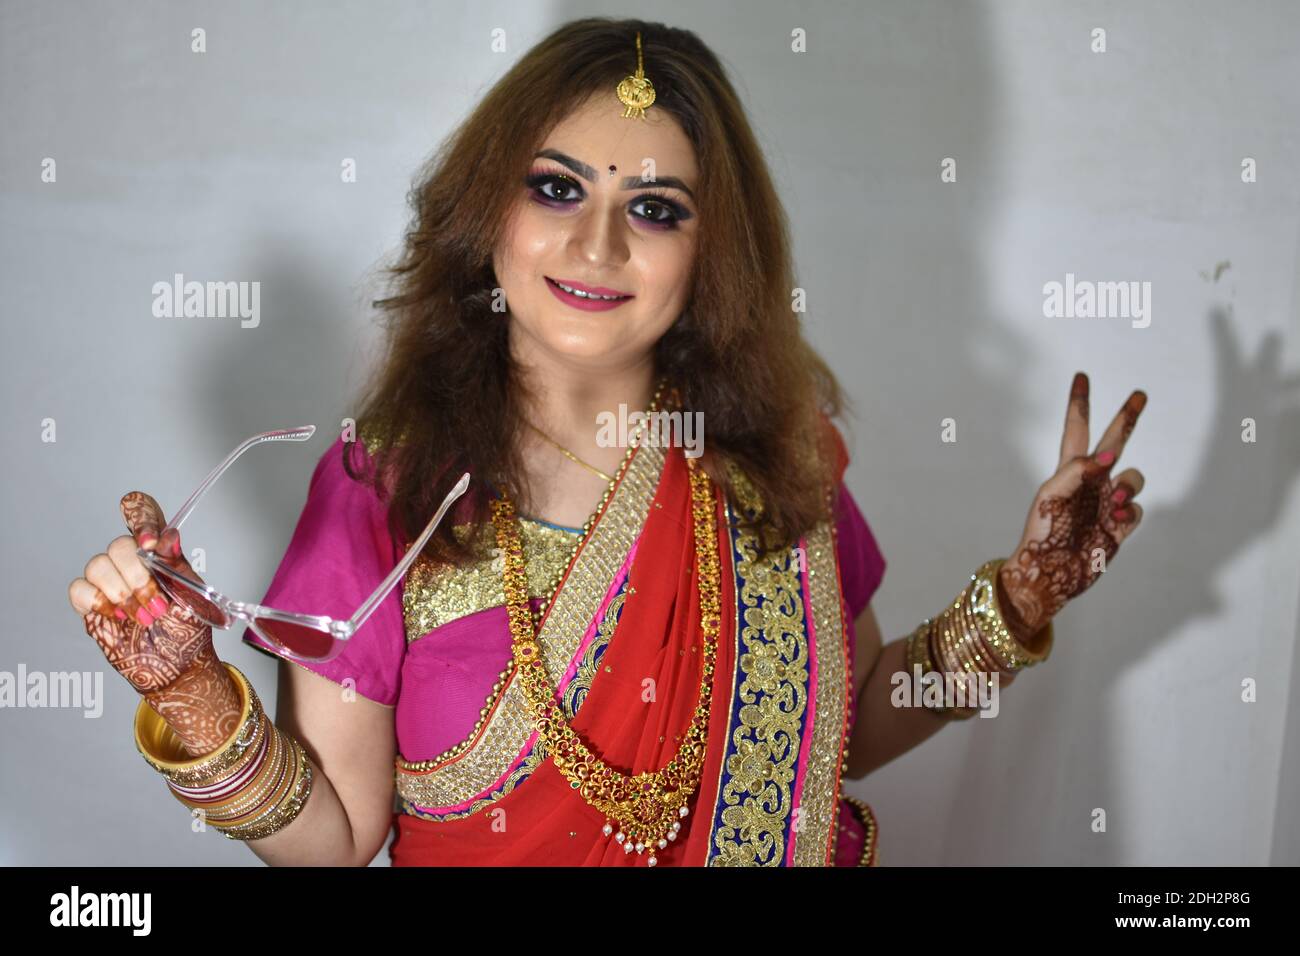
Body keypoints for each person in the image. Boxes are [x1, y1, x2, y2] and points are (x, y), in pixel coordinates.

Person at [66, 17, 1147, 866]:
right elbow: (334, 840)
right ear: (486, 213)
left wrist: (1017, 602)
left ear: (709, 254)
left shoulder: (779, 467)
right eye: (556, 187)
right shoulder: (384, 483)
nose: (596, 241)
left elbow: (841, 735)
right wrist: (193, 696)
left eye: (657, 207)